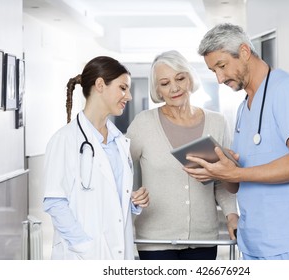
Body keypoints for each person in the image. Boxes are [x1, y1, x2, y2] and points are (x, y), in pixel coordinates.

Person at [184, 23, 289, 260]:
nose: (220, 78)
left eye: (222, 66)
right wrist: (219, 169)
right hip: (254, 241)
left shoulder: (287, 89)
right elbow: (239, 182)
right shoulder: (244, 107)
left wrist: (235, 174)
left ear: (244, 51)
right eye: (214, 71)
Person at [125, 50, 239, 260]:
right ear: (157, 89)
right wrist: (128, 197)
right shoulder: (143, 123)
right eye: (165, 83)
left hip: (203, 239)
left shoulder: (217, 122)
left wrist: (232, 216)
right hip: (155, 240)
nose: (174, 88)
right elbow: (118, 167)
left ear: (190, 78)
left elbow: (223, 181)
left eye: (180, 78)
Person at [43, 56, 149, 260]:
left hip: (117, 252)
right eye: (123, 88)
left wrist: (133, 202)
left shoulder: (120, 141)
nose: (129, 97)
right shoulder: (64, 139)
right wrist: (83, 246)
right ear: (100, 85)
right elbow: (55, 202)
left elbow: (110, 199)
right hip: (83, 256)